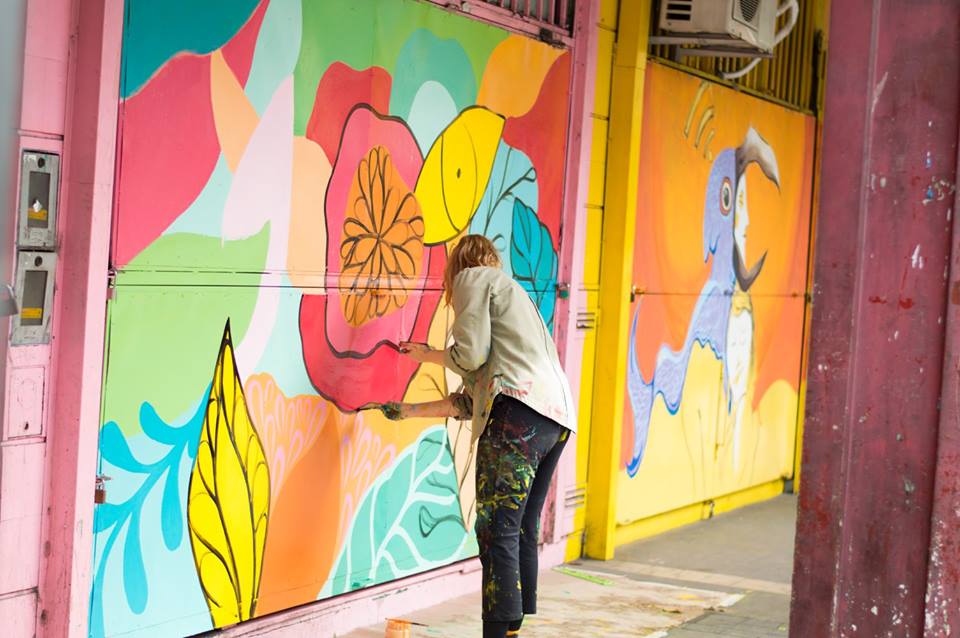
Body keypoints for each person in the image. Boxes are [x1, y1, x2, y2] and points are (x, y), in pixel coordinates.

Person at [375, 234, 576, 638]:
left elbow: (469, 356)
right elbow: (470, 401)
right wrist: (409, 409)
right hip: (554, 420)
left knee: (496, 528)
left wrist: (433, 354)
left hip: (518, 413)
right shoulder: (511, 296)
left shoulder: (473, 278)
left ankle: (496, 634)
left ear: (456, 268)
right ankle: (512, 629)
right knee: (520, 526)